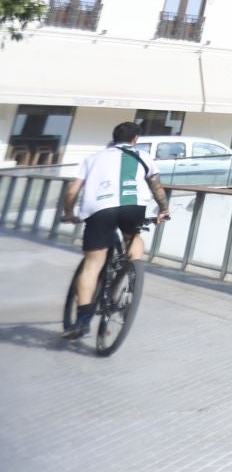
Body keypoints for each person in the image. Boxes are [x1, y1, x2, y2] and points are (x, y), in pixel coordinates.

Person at [60, 121, 169, 339]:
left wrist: (69, 212)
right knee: (133, 235)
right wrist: (164, 209)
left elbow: (72, 191)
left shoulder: (92, 159)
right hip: (132, 207)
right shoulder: (144, 157)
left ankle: (82, 321)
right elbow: (156, 187)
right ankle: (131, 273)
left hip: (99, 210)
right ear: (135, 139)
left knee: (92, 266)